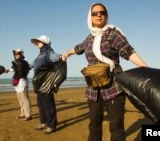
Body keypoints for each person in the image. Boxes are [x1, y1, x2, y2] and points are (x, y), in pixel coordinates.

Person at [63, 3, 147, 141]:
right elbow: (79, 48)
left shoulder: (113, 33)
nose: (98, 15)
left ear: (106, 16)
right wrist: (67, 53)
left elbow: (128, 52)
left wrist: (145, 68)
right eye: (94, 13)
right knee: (94, 125)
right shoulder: (89, 38)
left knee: (116, 127)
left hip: (114, 88)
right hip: (93, 90)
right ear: (90, 17)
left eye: (102, 12)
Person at [30, 35, 63, 134]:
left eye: (39, 41)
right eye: (37, 42)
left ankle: (51, 125)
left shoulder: (49, 52)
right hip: (39, 83)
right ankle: (43, 122)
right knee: (41, 105)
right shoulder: (40, 55)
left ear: (45, 43)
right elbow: (32, 64)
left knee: (49, 105)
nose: (37, 43)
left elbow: (54, 57)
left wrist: (61, 56)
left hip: (47, 82)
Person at [5, 49, 32, 121]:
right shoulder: (16, 62)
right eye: (15, 54)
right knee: (20, 99)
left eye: (18, 53)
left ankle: (28, 115)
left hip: (23, 82)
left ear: (21, 54)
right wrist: (7, 70)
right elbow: (12, 68)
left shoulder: (25, 61)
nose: (16, 55)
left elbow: (29, 67)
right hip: (17, 82)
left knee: (25, 99)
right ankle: (23, 113)